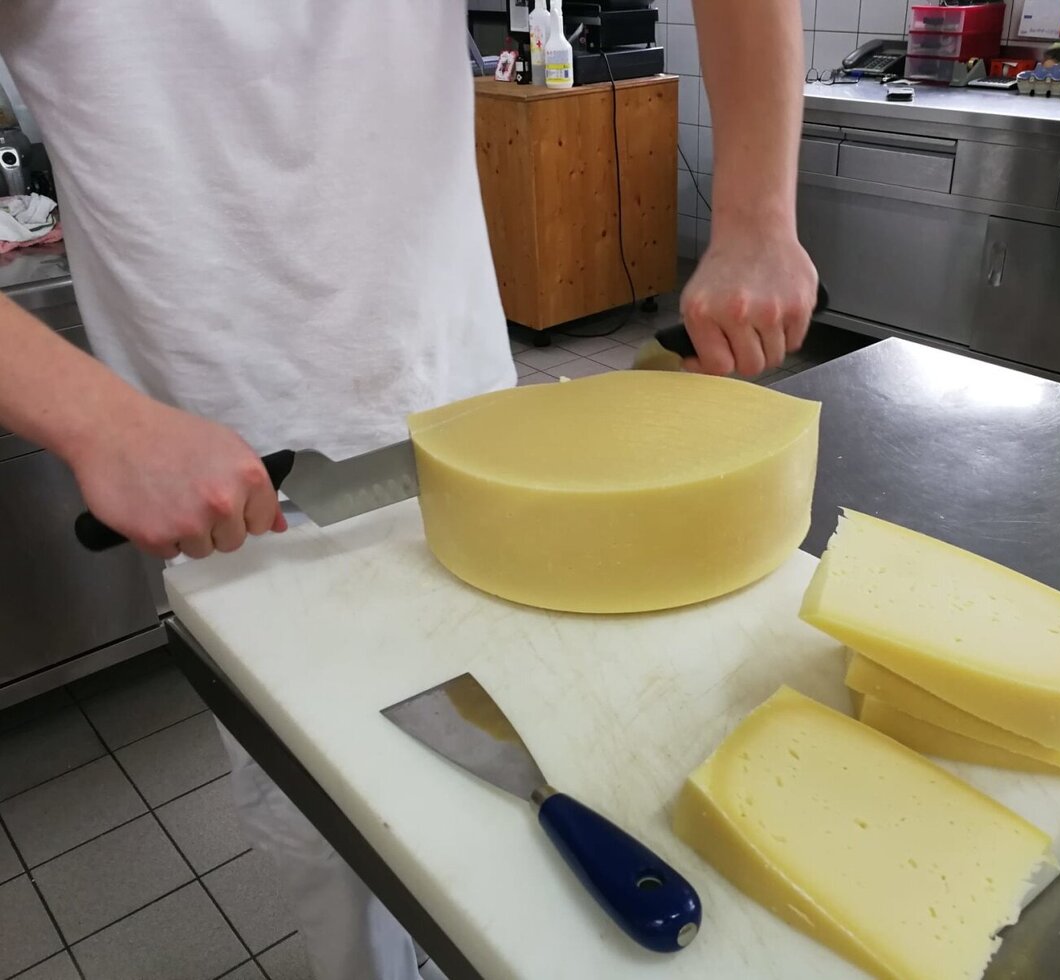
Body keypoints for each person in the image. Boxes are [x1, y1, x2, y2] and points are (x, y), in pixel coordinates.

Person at [0, 2, 820, 978]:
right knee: (353, 861)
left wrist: (758, 215)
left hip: (489, 449)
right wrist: (101, 420)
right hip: (246, 504)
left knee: (544, 791)